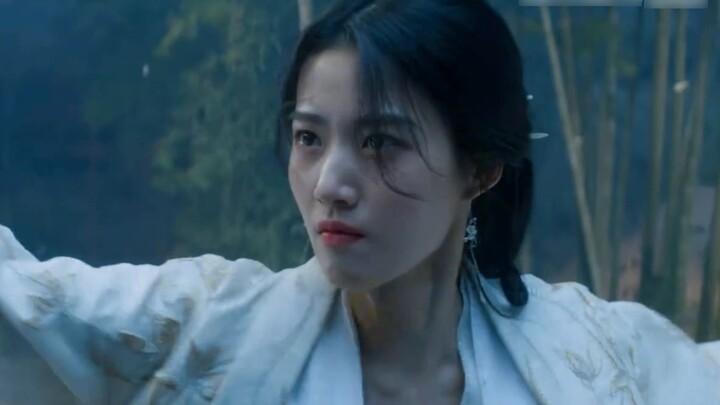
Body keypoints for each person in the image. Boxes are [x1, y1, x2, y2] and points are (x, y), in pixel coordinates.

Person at [1, 0, 719, 403]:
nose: (329, 183)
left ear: (478, 170)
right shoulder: (211, 328)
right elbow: (27, 305)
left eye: (381, 142)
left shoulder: (594, 355)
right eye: (309, 138)